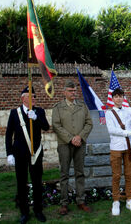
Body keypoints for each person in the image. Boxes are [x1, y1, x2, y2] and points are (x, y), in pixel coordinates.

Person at [5, 86, 49, 224]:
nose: (34, 98)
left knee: (37, 182)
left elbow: (46, 127)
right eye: (31, 96)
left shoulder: (39, 111)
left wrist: (36, 118)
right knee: (21, 183)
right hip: (20, 153)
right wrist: (9, 153)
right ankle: (24, 212)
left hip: (35, 153)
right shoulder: (14, 113)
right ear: (23, 98)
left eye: (35, 96)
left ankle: (38, 210)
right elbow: (8, 135)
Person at [52, 80, 93, 215]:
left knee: (79, 173)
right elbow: (56, 125)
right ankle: (64, 203)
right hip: (64, 144)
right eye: (70, 91)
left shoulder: (82, 106)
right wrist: (71, 138)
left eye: (75, 90)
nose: (73, 93)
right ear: (64, 92)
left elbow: (89, 123)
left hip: (80, 144)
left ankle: (80, 201)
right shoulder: (58, 107)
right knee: (64, 174)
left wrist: (79, 137)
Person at [105, 88, 131, 216]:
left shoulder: (129, 110)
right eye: (116, 96)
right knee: (116, 175)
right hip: (116, 147)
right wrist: (127, 132)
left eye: (120, 96)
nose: (118, 98)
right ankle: (116, 200)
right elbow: (111, 130)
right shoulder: (109, 113)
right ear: (113, 98)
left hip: (129, 148)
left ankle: (129, 200)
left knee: (128, 175)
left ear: (123, 97)